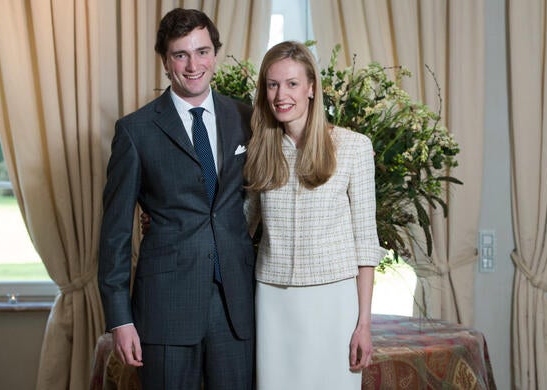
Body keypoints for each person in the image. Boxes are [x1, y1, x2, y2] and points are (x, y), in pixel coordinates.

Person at [98, 8, 255, 390]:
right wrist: (120, 319)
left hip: (236, 305)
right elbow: (115, 234)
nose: (193, 64)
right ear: (166, 63)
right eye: (180, 55)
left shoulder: (247, 117)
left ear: (215, 54)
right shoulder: (135, 131)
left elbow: (295, 144)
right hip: (165, 307)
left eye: (202, 51)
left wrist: (341, 144)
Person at [244, 41, 386, 389]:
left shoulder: (354, 146)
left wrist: (363, 323)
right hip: (272, 299)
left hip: (333, 301)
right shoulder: (258, 150)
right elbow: (239, 224)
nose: (281, 94)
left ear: (311, 89)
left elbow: (366, 243)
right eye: (272, 84)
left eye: (292, 83)